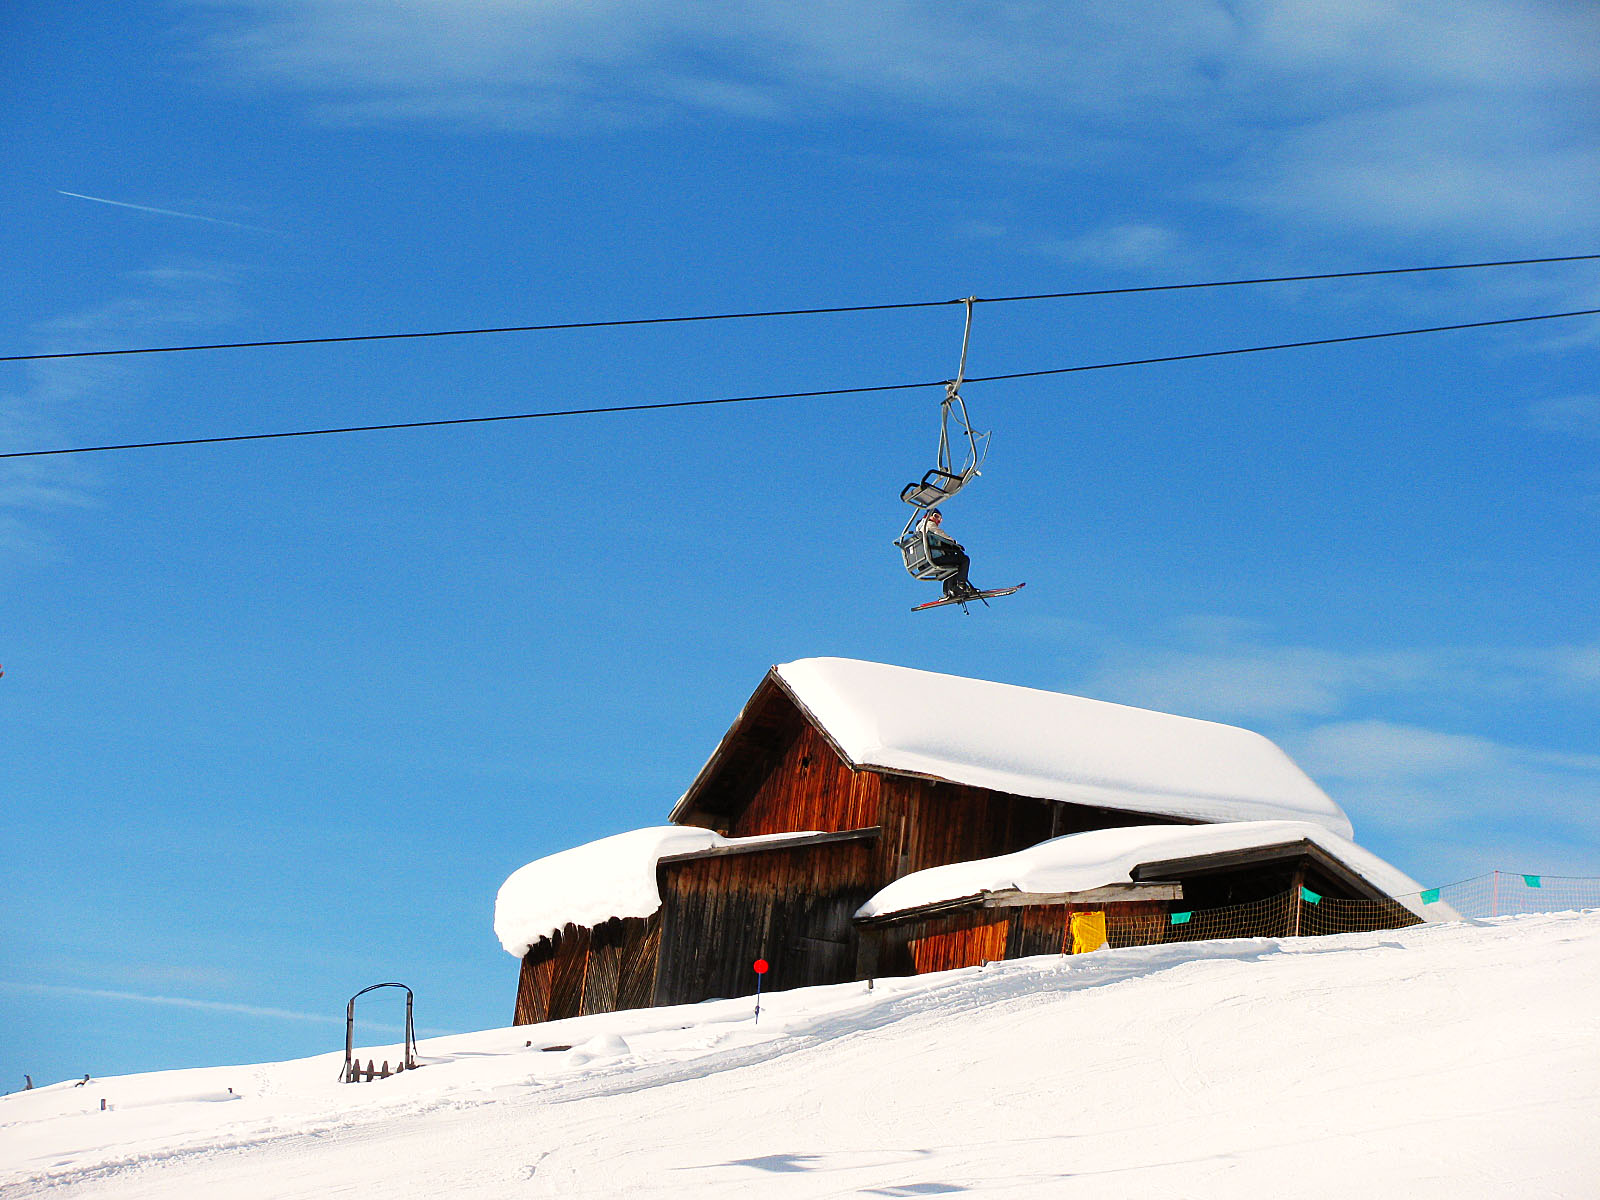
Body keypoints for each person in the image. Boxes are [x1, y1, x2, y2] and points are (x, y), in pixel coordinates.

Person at [921, 508, 975, 599]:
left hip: (924, 561)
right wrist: (955, 544)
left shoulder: (919, 528)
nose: (938, 520)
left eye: (940, 519)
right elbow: (940, 534)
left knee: (951, 563)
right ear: (928, 516)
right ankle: (960, 585)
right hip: (934, 559)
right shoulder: (929, 525)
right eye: (936, 516)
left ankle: (949, 590)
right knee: (964, 560)